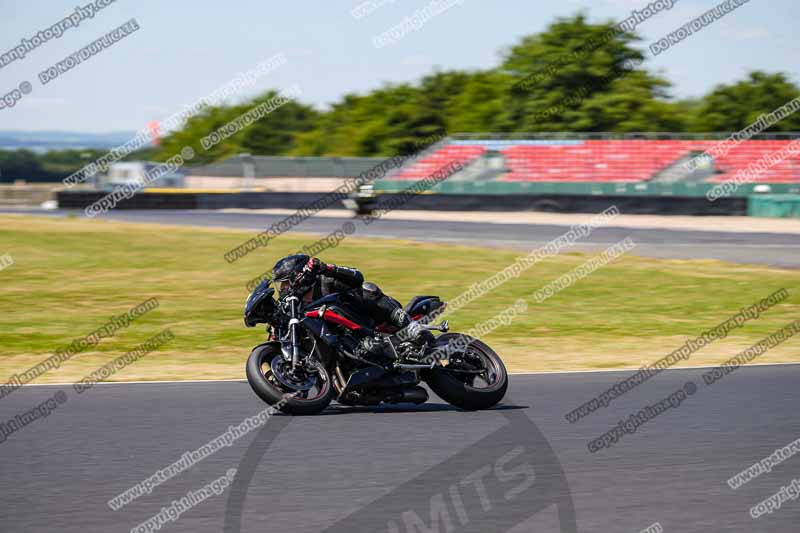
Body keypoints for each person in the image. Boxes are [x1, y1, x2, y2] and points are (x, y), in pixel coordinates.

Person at [270, 254, 430, 362]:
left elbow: (358, 276)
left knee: (367, 289)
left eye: (285, 282)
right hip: (341, 342)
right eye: (281, 284)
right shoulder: (293, 305)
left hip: (369, 321)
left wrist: (328, 268)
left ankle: (411, 327)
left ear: (298, 276)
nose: (283, 288)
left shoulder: (326, 280)